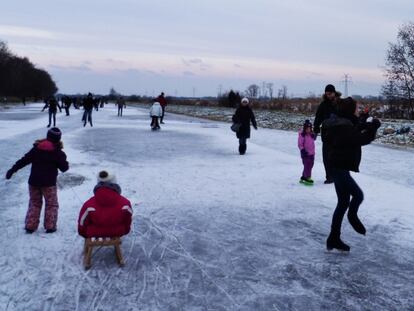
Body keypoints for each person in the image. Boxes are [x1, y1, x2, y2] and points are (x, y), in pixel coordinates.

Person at [323, 97, 381, 252]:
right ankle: (352, 216)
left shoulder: (341, 123)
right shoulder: (344, 127)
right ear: (350, 110)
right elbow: (362, 138)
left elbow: (354, 127)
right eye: (356, 108)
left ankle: (333, 238)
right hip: (339, 168)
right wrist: (374, 126)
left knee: (343, 203)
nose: (358, 110)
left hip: (337, 166)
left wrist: (364, 118)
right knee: (358, 196)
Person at [5, 128, 69, 233]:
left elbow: (24, 160)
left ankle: (30, 226)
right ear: (58, 139)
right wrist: (62, 159)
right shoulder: (58, 152)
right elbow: (64, 168)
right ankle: (50, 226)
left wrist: (12, 170)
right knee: (51, 204)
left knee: (34, 203)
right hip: (49, 184)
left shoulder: (37, 148)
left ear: (48, 136)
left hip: (34, 182)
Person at [78, 171, 132, 238]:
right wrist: (125, 230)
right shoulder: (125, 203)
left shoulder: (88, 204)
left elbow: (82, 221)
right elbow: (128, 219)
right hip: (118, 231)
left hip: (94, 232)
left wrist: (84, 233)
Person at [313, 84, 340, 184]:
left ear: (334, 92)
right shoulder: (323, 105)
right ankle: (329, 176)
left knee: (337, 155)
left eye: (330, 93)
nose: (328, 95)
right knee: (326, 156)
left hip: (338, 134)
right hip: (326, 134)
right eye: (327, 93)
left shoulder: (339, 103)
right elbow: (318, 117)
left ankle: (338, 175)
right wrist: (315, 129)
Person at [298, 120, 316, 185]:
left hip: (312, 154)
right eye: (307, 129)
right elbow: (300, 144)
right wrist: (302, 150)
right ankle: (308, 178)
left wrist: (314, 135)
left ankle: (303, 177)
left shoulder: (311, 134)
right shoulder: (302, 135)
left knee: (310, 165)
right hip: (305, 154)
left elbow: (313, 139)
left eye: (310, 128)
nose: (308, 130)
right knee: (307, 166)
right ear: (304, 128)